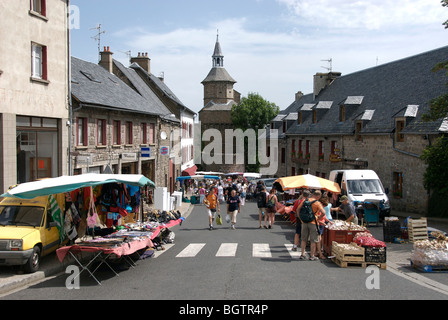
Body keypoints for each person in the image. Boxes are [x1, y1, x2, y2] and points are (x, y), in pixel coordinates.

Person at [297, 190, 326, 260]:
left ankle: (302, 254)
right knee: (313, 240)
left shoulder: (305, 200)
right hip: (313, 223)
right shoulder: (317, 203)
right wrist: (319, 217)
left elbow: (298, 210)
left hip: (304, 222)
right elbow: (323, 212)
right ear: (318, 196)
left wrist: (301, 219)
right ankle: (312, 255)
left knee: (304, 239)